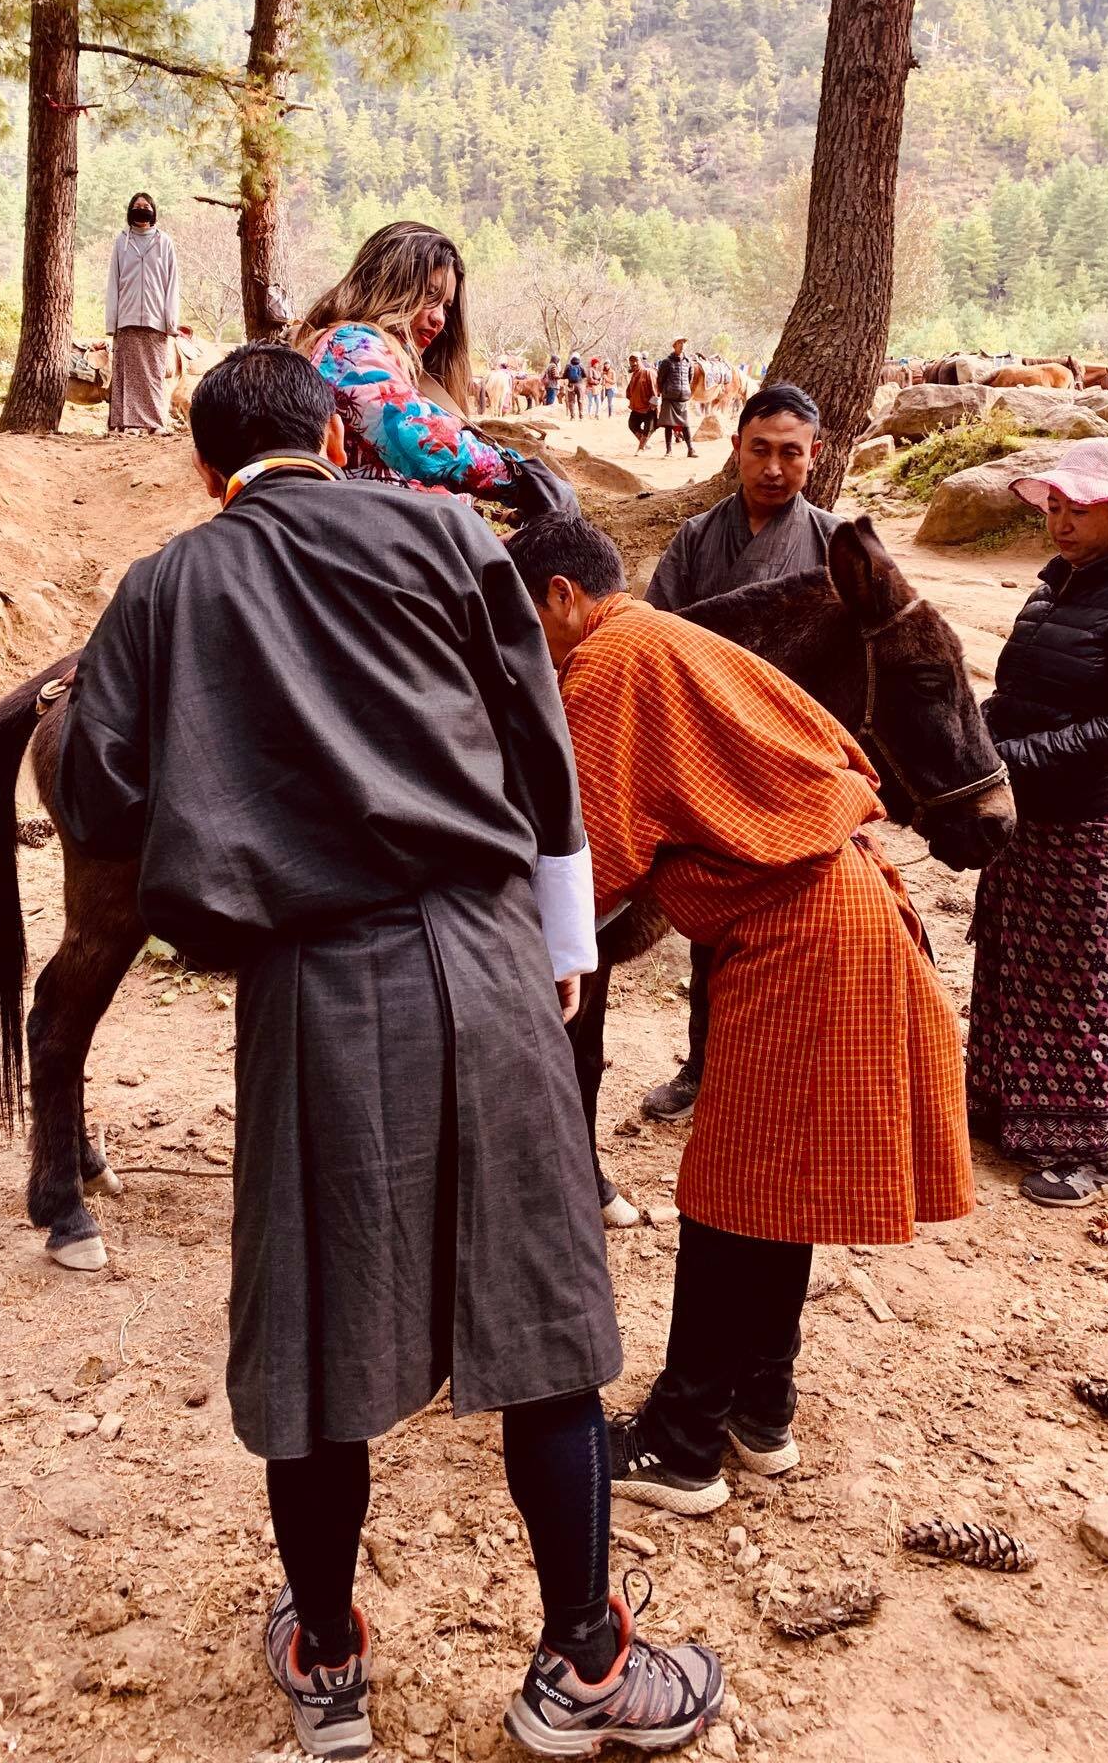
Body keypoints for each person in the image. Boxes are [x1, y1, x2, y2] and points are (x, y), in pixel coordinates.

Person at [52, 346, 724, 1759]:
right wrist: (561, 938)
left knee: (315, 1334)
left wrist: (219, 856)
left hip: (309, 982)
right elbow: (537, 742)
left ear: (205, 467)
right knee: (543, 1314)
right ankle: (585, 1669)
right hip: (486, 955)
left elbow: (101, 786)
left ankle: (332, 1659)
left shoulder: (170, 583)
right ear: (344, 440)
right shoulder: (438, 529)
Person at [505, 514, 972, 1507]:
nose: (526, 652)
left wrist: (532, 943)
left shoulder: (608, 663)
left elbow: (586, 845)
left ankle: (681, 1443)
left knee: (730, 1186)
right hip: (830, 904)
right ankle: (761, 1412)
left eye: (523, 624)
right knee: (777, 1176)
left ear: (559, 597)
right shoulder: (675, 638)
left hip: (798, 926)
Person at [967, 442, 1108, 1208]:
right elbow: (1014, 691)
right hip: (1025, 813)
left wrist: (1017, 757)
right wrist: (976, 743)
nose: (1059, 521)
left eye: (1078, 508)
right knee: (1010, 964)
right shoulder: (1053, 588)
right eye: (1053, 505)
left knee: (1081, 980)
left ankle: (1086, 1148)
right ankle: (1002, 1110)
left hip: (1087, 822)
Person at [641, 385, 845, 1124]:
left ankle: (786, 1075)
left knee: (801, 930)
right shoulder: (697, 538)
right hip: (711, 761)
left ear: (814, 458)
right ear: (736, 449)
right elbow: (657, 639)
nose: (772, 467)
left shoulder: (837, 544)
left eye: (791, 452)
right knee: (712, 926)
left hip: (800, 766)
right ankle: (703, 1066)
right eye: (759, 449)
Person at [292, 221, 568, 517]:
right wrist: (523, 481)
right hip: (378, 551)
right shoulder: (350, 348)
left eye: (446, 306)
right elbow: (423, 442)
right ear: (387, 284)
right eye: (428, 295)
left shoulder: (389, 359)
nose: (439, 318)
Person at [104, 192, 180, 434]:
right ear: (130, 211)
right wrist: (111, 321)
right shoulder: (121, 241)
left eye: (146, 206)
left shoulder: (164, 241)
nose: (141, 209)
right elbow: (113, 283)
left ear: (153, 211)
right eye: (137, 206)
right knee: (126, 374)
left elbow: (172, 284)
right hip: (126, 319)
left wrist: (171, 321)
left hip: (156, 320)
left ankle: (155, 423)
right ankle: (125, 423)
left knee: (153, 375)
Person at [655, 338, 696, 457]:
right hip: (669, 398)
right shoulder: (666, 362)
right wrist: (666, 391)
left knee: (686, 425)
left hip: (683, 398)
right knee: (668, 425)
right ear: (674, 346)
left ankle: (691, 450)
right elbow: (660, 380)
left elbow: (689, 379)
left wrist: (683, 390)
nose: (682, 345)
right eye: (680, 343)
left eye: (683, 343)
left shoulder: (688, 362)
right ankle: (669, 451)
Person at [625, 352, 657, 450]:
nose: (634, 363)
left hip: (648, 408)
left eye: (636, 360)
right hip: (636, 407)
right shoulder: (634, 375)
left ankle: (640, 448)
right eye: (631, 361)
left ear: (640, 360)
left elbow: (655, 390)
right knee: (632, 425)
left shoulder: (648, 372)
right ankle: (644, 444)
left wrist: (653, 405)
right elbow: (629, 391)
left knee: (648, 429)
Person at [564, 352, 586, 419]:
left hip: (571, 385)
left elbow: (564, 375)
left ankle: (572, 417)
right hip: (580, 385)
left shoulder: (568, 365)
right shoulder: (581, 365)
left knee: (571, 401)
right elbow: (585, 375)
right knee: (580, 400)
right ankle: (581, 416)